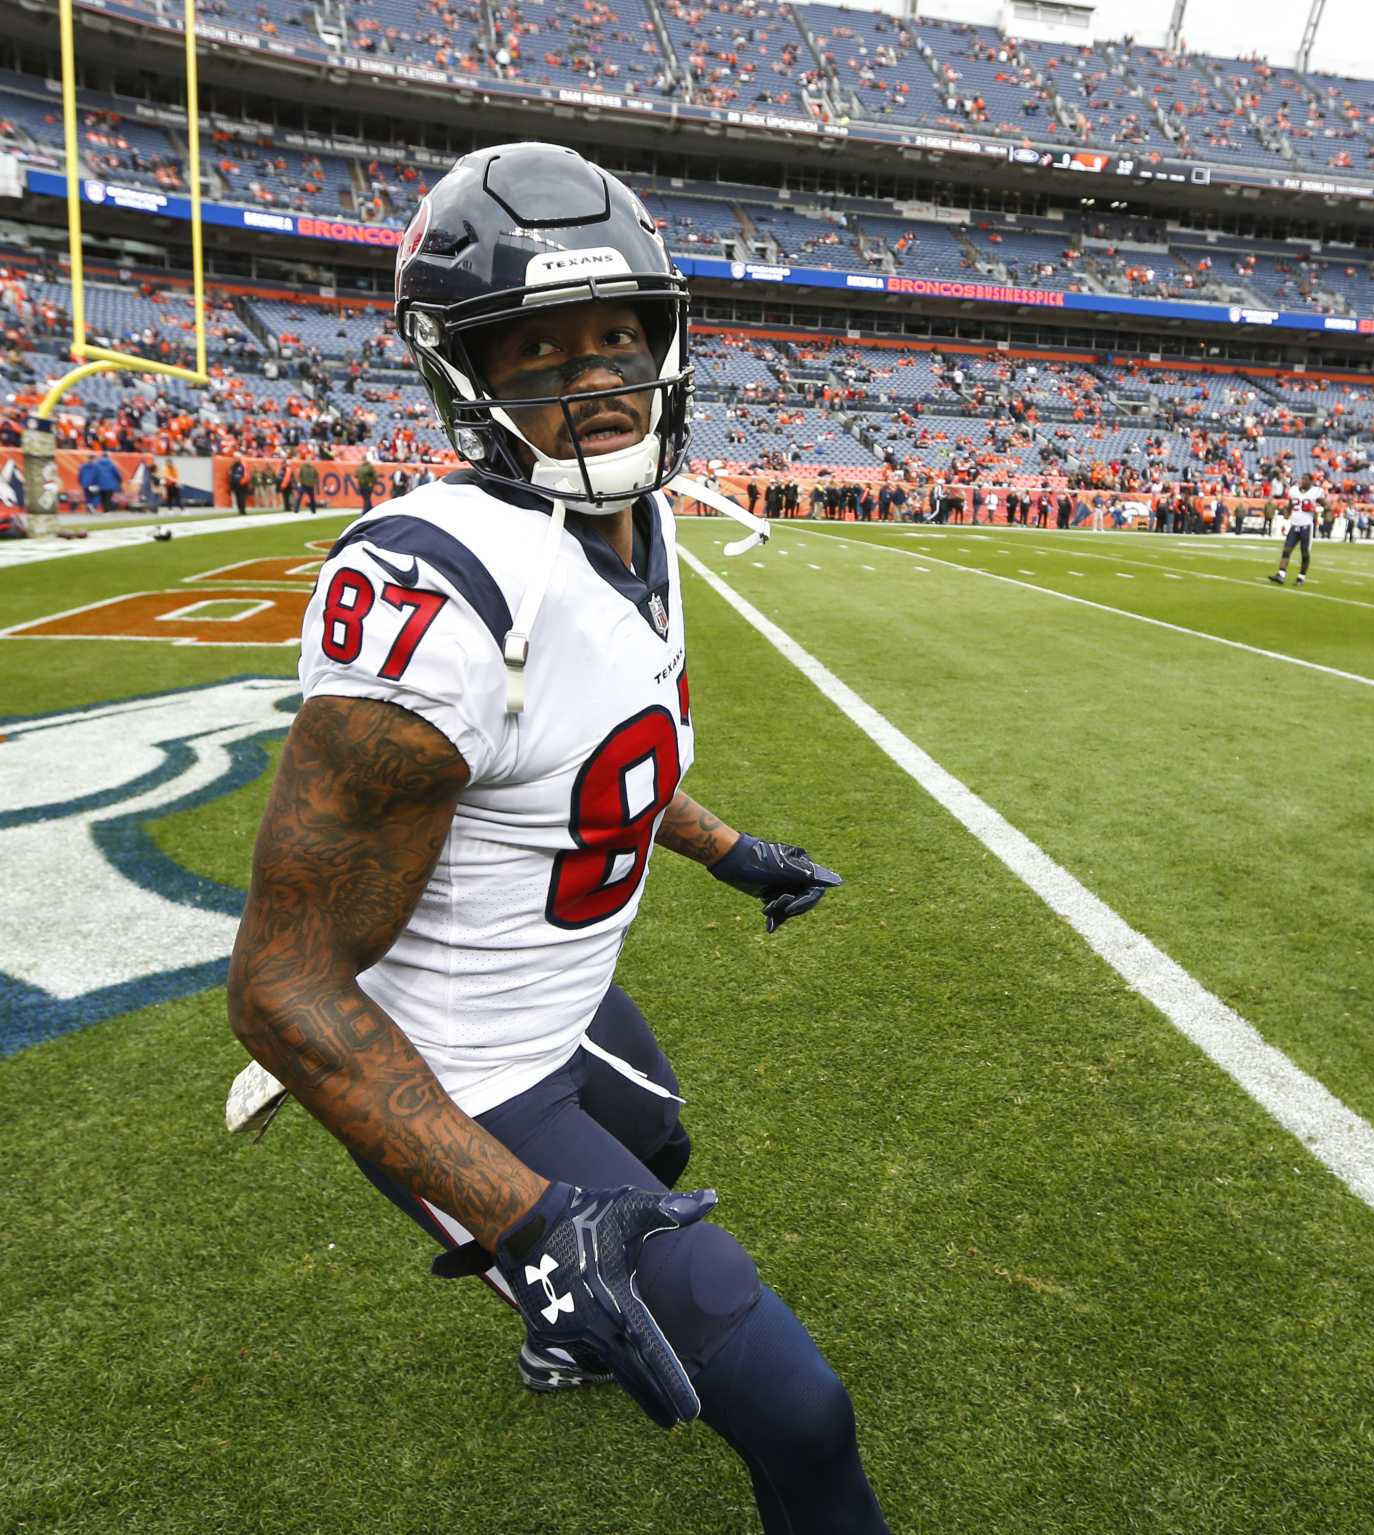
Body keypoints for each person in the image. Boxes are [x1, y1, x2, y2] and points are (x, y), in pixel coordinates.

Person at [225, 143, 889, 1534]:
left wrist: (725, 846)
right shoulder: (447, 584)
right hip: (459, 1066)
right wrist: (529, 1221)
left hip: (566, 1000)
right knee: (806, 1416)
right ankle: (555, 1291)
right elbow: (282, 985)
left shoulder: (629, 518)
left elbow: (590, 767)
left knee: (661, 1138)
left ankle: (556, 1326)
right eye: (535, 351)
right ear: (464, 373)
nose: (590, 378)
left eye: (614, 339)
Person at [1269, 474, 1321, 586]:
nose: (1302, 481)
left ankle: (1301, 577)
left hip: (1306, 526)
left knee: (1305, 553)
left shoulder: (1315, 491)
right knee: (1286, 550)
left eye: (1305, 479)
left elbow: (1326, 506)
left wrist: (1315, 509)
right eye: (1302, 478)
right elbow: (1291, 505)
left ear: (1311, 481)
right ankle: (1281, 574)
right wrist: (1287, 513)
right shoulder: (1294, 491)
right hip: (1294, 525)